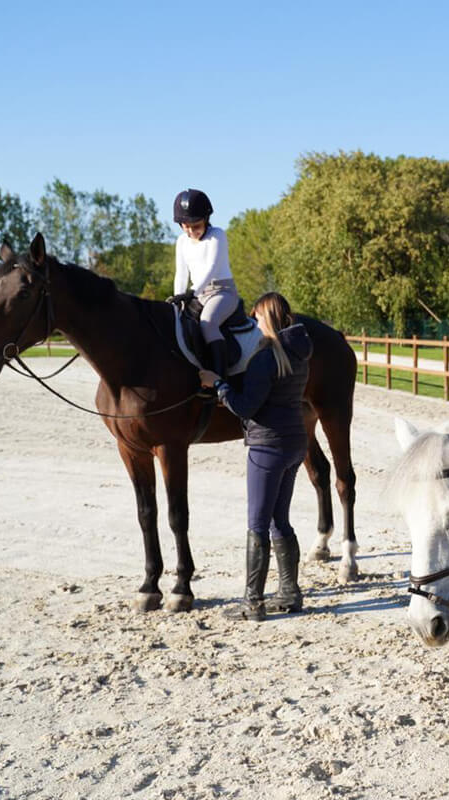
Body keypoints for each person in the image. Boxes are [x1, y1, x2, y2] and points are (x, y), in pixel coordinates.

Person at [199, 292, 313, 621]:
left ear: (268, 318)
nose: (253, 321)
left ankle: (253, 603)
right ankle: (290, 593)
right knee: (280, 519)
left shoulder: (266, 358)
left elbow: (246, 406)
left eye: (256, 316)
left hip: (267, 447)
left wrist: (218, 383)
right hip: (294, 442)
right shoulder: (300, 353)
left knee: (257, 525)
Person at [170, 188, 240, 380]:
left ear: (206, 219)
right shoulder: (182, 242)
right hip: (197, 295)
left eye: (196, 226)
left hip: (222, 292)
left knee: (207, 323)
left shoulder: (217, 235)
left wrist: (192, 292)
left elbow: (211, 267)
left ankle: (219, 380)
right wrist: (178, 299)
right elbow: (181, 273)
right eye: (186, 226)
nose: (192, 231)